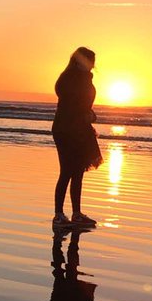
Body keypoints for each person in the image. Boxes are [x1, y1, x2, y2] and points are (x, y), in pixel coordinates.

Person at [51, 46, 102, 231]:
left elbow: (84, 106)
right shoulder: (68, 79)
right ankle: (58, 215)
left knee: (78, 172)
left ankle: (76, 213)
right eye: (89, 61)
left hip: (80, 129)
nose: (92, 65)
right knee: (67, 171)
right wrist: (85, 115)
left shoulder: (84, 79)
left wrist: (91, 116)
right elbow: (71, 105)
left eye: (92, 62)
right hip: (65, 129)